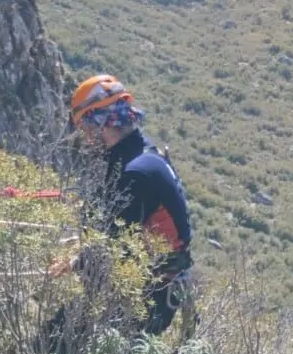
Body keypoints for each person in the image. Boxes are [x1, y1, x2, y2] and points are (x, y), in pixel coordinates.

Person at [49, 74, 193, 337]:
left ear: (99, 123)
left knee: (55, 345)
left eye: (85, 128)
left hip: (146, 298)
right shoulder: (141, 153)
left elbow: (112, 246)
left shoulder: (135, 173)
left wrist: (73, 262)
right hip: (151, 287)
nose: (86, 138)